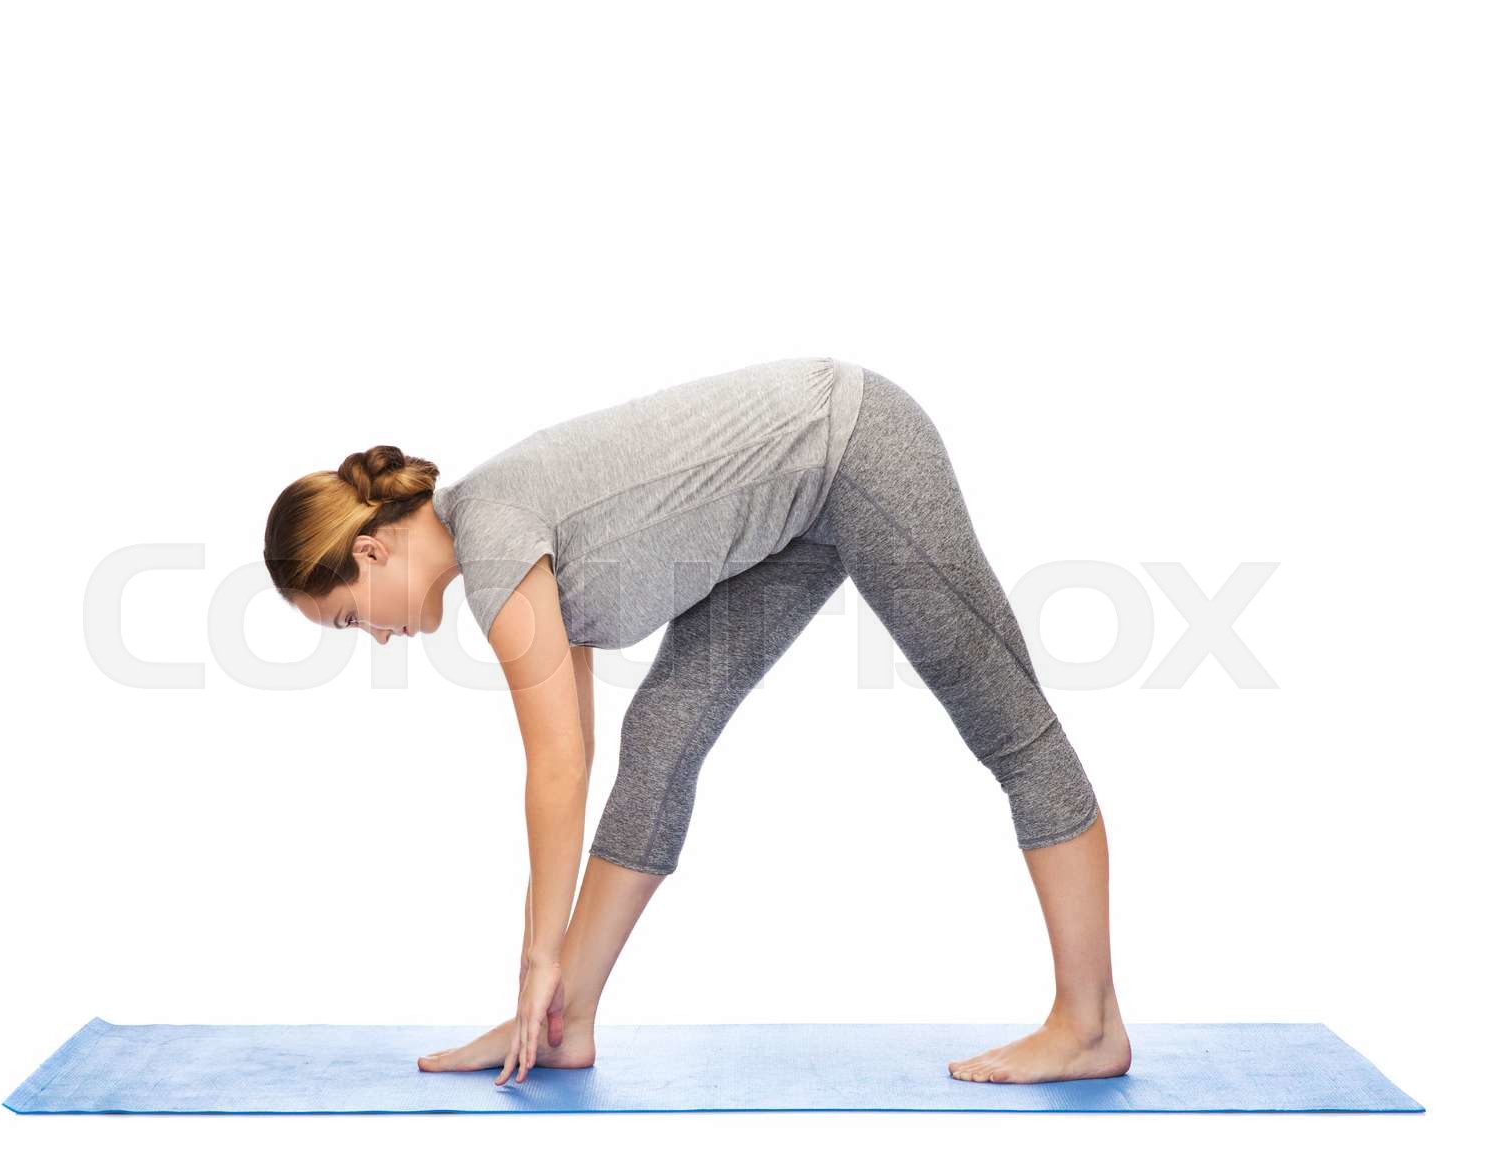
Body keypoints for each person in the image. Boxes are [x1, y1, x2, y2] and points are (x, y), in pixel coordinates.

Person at [263, 357, 1130, 1087]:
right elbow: (583, 755)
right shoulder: (497, 541)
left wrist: (535, 961)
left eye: (349, 616)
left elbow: (556, 769)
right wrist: (541, 976)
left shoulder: (490, 542)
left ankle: (1090, 1023)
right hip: (795, 517)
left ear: (371, 551)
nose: (373, 636)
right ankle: (567, 1024)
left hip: (853, 447)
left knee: (1006, 723)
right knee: (661, 741)